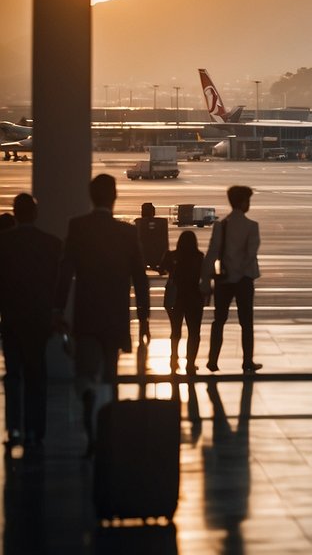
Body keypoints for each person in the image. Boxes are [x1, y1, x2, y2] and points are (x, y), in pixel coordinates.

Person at [56, 174, 150, 454]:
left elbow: (66, 272)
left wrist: (57, 309)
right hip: (115, 316)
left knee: (84, 372)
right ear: (114, 196)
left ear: (90, 195)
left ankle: (89, 423)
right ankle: (107, 433)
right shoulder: (127, 233)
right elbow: (140, 278)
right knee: (111, 374)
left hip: (86, 314)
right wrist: (144, 317)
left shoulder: (78, 227)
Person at [0, 194, 63, 448]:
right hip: (39, 320)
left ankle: (14, 428)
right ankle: (36, 429)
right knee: (37, 375)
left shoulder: (3, 242)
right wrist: (54, 313)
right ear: (35, 214)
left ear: (15, 214)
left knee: (13, 375)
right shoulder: (52, 244)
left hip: (12, 319)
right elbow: (57, 285)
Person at [203, 185, 262, 374]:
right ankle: (247, 361)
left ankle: (212, 360)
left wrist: (205, 280)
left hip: (224, 279)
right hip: (243, 279)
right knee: (246, 323)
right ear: (244, 202)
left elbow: (212, 253)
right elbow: (250, 255)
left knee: (219, 320)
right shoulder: (252, 226)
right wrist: (239, 274)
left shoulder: (221, 225)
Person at [161, 230, 206, 375]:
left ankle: (173, 359)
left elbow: (162, 269)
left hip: (176, 297)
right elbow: (204, 274)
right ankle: (190, 363)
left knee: (175, 331)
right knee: (194, 332)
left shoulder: (171, 255)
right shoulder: (199, 257)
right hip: (193, 297)